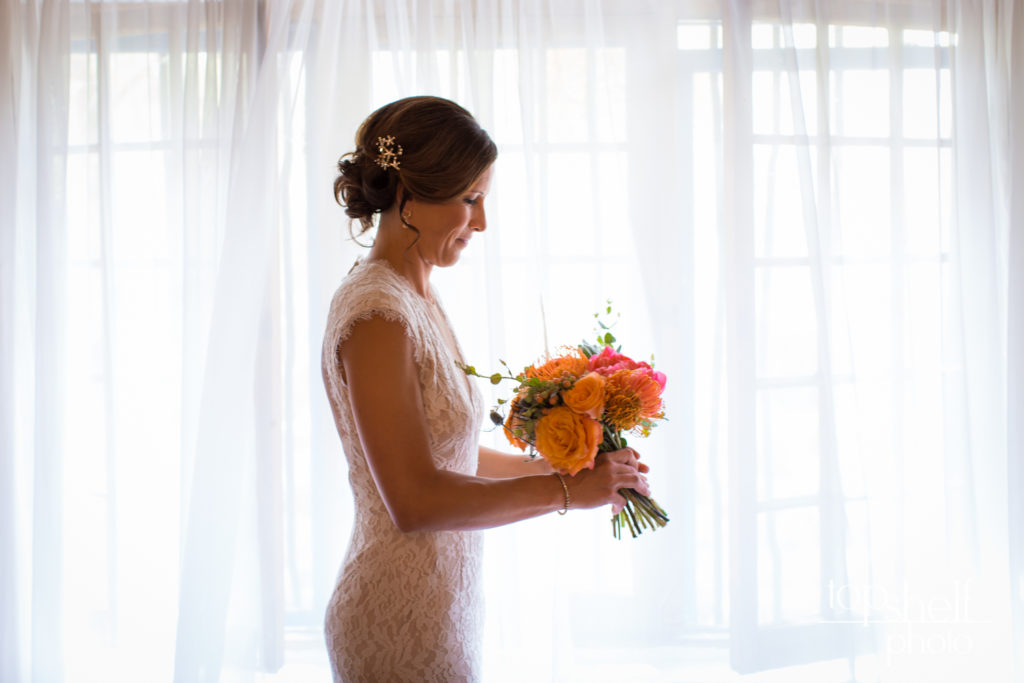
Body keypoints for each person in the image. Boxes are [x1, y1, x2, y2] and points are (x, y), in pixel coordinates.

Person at [320, 95, 649, 682]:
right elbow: (416, 503)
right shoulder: (376, 314)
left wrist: (578, 467)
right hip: (395, 620)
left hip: (443, 604)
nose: (481, 223)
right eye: (469, 200)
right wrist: (567, 494)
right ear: (407, 197)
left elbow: (449, 456)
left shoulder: (415, 292)